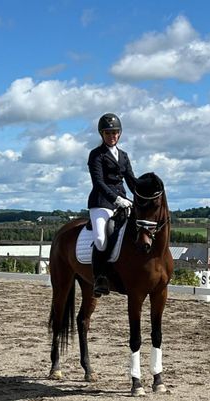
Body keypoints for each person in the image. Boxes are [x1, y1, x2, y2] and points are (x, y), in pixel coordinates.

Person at [87, 113, 137, 297]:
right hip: (101, 203)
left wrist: (143, 193)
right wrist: (116, 199)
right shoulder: (96, 155)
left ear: (120, 133)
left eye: (115, 132)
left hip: (123, 202)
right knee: (101, 239)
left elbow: (131, 181)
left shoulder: (123, 156)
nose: (112, 136)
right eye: (108, 133)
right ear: (102, 134)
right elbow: (98, 182)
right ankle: (99, 277)